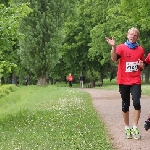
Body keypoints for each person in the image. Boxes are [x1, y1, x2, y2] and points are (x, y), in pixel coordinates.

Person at [105, 27, 145, 139]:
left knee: (137, 103)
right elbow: (114, 58)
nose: (133, 36)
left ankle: (135, 126)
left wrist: (142, 65)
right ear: (127, 35)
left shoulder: (140, 50)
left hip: (135, 80)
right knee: (125, 105)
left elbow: (142, 65)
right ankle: (127, 127)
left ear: (137, 37)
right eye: (131, 34)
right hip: (123, 80)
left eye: (135, 35)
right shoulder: (121, 48)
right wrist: (113, 46)